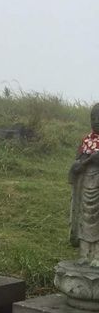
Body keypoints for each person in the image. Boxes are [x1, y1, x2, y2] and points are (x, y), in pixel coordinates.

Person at [69, 103, 99, 266]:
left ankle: (97, 255)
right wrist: (81, 163)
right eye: (93, 118)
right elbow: (77, 162)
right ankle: (84, 253)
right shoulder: (86, 141)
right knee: (84, 217)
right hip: (85, 183)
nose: (96, 121)